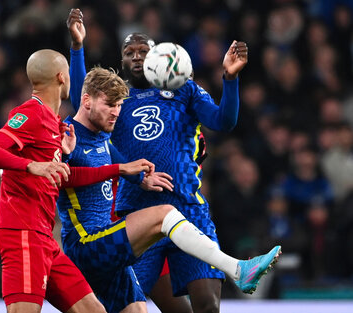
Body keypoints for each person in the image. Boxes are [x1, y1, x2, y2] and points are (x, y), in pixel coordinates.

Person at [67, 8, 274, 312]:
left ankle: (236, 271)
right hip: (134, 213)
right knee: (130, 307)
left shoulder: (184, 90)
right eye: (129, 52)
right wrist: (77, 48)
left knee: (208, 306)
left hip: (187, 207)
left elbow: (223, 121)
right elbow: (79, 105)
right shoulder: (116, 101)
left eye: (143, 50)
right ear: (122, 61)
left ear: (157, 57)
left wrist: (230, 78)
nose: (136, 56)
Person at [0, 49, 153, 313]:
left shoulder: (54, 124)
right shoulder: (31, 113)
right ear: (61, 77)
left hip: (45, 237)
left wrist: (75, 158)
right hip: (22, 230)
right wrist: (31, 165)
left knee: (94, 310)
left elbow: (67, 178)